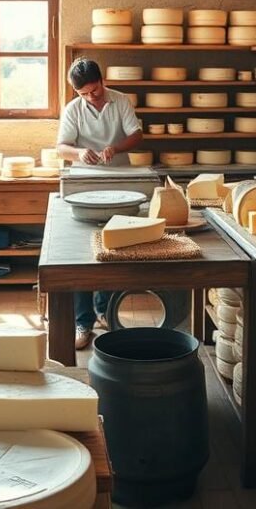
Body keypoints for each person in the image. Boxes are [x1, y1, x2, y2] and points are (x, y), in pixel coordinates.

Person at [56, 58, 144, 349]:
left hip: (120, 179)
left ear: (102, 80)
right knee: (83, 252)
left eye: (95, 90)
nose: (92, 97)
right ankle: (83, 322)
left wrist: (115, 147)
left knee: (114, 246)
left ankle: (106, 309)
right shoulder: (73, 109)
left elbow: (137, 135)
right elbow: (61, 148)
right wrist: (80, 154)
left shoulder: (120, 101)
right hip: (85, 182)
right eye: (84, 94)